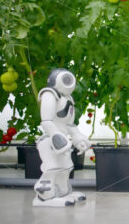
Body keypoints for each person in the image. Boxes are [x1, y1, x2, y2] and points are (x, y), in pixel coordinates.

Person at [33, 68, 91, 207]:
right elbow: (46, 120)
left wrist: (78, 138)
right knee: (52, 168)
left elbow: (69, 125)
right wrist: (56, 136)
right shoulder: (50, 94)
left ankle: (62, 193)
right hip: (49, 140)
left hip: (63, 140)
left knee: (66, 167)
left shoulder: (67, 98)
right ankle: (43, 198)